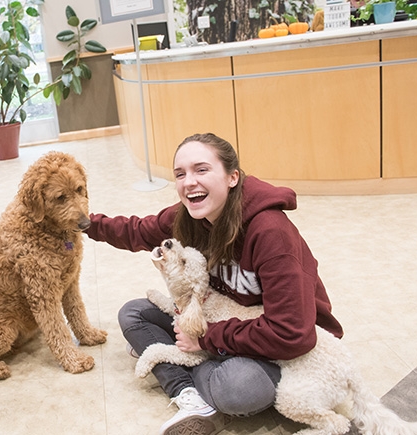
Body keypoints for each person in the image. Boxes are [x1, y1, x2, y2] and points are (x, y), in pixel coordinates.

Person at [86, 133, 344, 435]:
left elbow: (292, 333)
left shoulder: (270, 232)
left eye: (201, 169)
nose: (188, 182)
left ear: (232, 177)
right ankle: (193, 396)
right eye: (180, 174)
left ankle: (185, 368)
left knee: (237, 390)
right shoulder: (189, 217)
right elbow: (137, 231)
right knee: (134, 314)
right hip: (225, 325)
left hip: (285, 349)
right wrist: (82, 223)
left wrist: (206, 339)